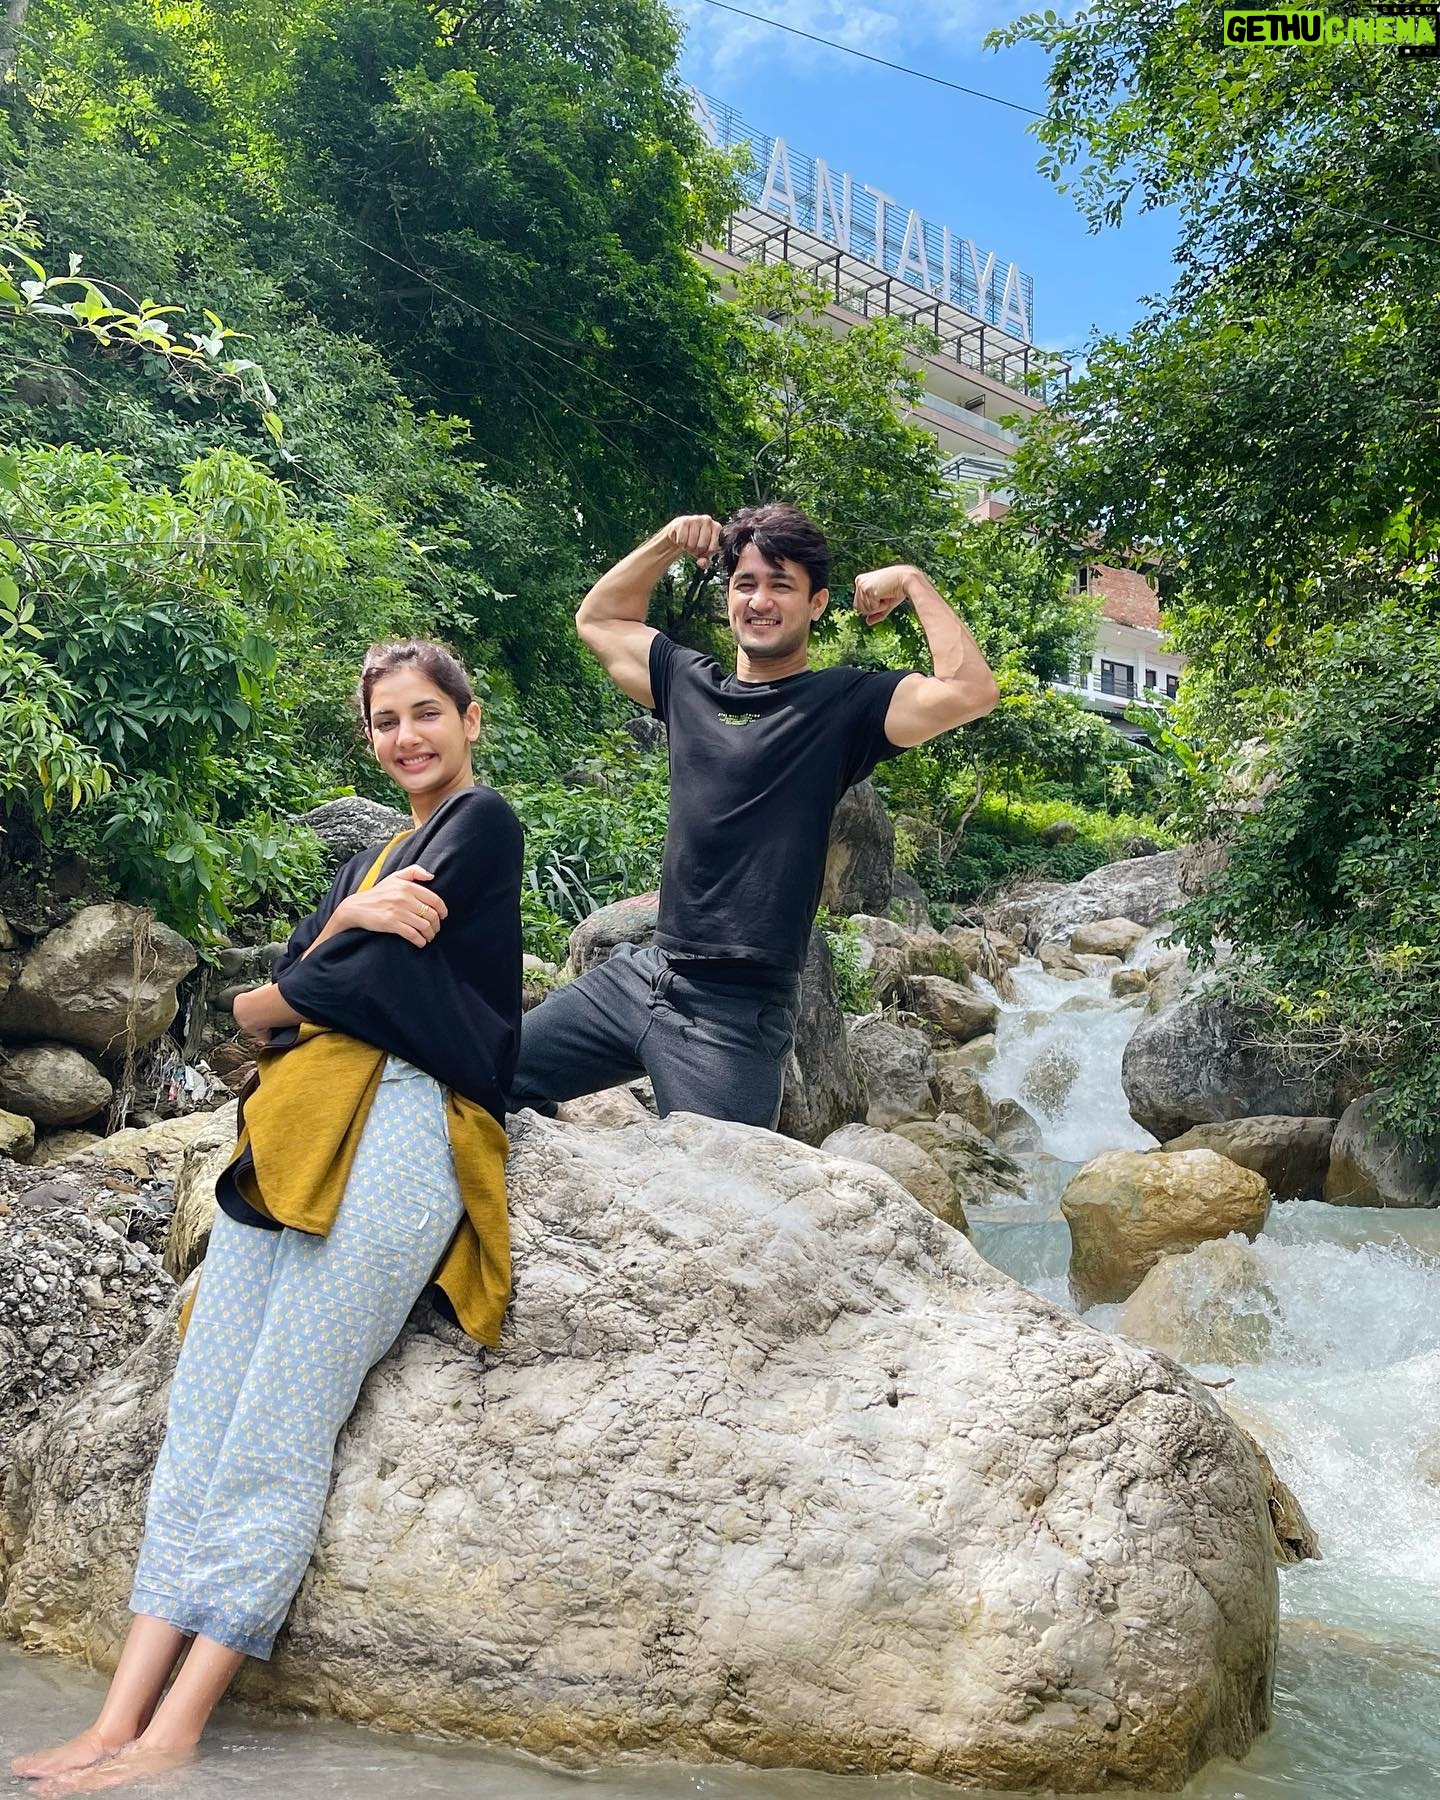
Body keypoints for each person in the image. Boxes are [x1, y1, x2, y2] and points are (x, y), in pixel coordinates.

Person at [12, 640, 523, 1792]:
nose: (407, 737)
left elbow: (323, 994)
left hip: (406, 1125)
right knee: (202, 1422)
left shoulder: (482, 825)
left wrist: (309, 975)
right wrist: (345, 934)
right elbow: (268, 1005)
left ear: (469, 718)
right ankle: (114, 1720)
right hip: (291, 1128)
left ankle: (175, 1734)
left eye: (426, 713)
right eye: (385, 721)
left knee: (279, 1430)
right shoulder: (371, 860)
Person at [509, 502, 999, 1129]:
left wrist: (911, 580)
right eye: (745, 583)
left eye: (781, 585)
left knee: (722, 1182)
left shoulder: (843, 705)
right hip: (646, 974)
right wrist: (668, 540)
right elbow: (598, 619)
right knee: (482, 1071)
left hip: (735, 1014)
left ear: (817, 604)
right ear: (728, 597)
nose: (760, 600)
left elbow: (970, 691)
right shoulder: (685, 681)